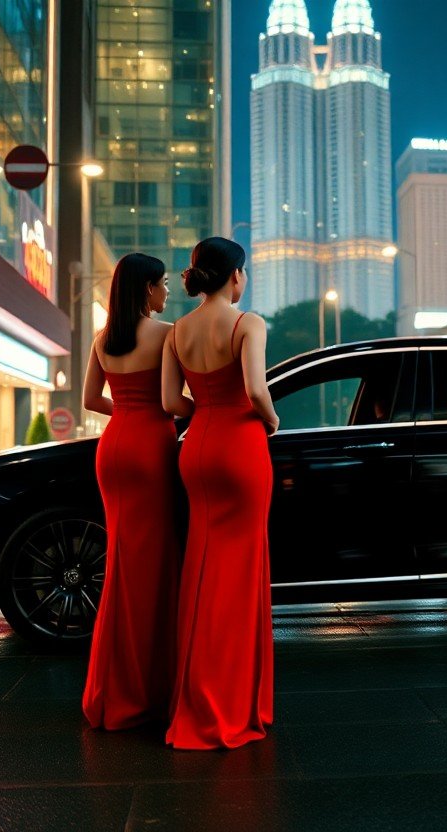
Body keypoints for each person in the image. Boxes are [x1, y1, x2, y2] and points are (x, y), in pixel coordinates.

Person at [161, 237, 279, 750]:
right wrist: (270, 422)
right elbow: (256, 390)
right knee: (241, 572)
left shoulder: (177, 331)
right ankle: (231, 701)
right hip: (241, 447)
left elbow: (170, 400)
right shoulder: (247, 322)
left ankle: (194, 694)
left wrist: (204, 414)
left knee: (202, 566)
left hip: (197, 449)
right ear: (234, 275)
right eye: (244, 271)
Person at [81, 252, 180, 731]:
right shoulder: (166, 334)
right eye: (162, 283)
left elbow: (89, 400)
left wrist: (125, 409)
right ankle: (147, 687)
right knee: (152, 565)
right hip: (149, 447)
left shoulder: (103, 338)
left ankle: (112, 685)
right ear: (145, 289)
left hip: (113, 446)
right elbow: (171, 401)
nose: (167, 291)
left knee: (121, 558)